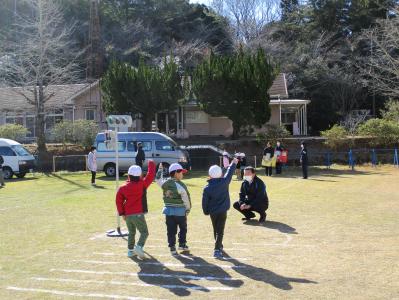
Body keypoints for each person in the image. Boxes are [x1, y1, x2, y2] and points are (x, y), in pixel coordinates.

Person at [116, 160, 156, 259]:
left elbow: (118, 201)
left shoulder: (123, 187)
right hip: (138, 213)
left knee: (131, 232)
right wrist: (151, 163)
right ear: (140, 175)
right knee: (144, 232)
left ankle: (130, 251)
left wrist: (122, 213)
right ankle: (139, 247)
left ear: (128, 175)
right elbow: (151, 175)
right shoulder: (142, 184)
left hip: (127, 214)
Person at [202, 158, 238, 258]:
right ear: (220, 174)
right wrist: (233, 163)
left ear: (209, 175)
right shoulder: (224, 182)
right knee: (220, 231)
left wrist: (205, 211)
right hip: (222, 211)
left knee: (216, 229)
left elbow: (204, 202)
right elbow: (230, 173)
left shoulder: (207, 188)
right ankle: (217, 249)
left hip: (213, 212)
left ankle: (219, 245)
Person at [156, 163, 191, 255]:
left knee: (170, 230)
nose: (183, 174)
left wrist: (160, 169)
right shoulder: (181, 185)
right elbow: (186, 198)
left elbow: (158, 179)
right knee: (183, 228)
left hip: (168, 212)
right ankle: (182, 244)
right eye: (181, 172)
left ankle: (172, 247)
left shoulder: (165, 183)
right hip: (180, 212)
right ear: (176, 173)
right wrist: (187, 209)